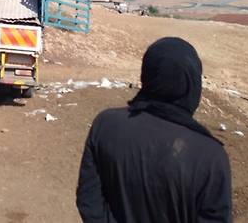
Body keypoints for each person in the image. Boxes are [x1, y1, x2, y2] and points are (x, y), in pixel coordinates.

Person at [76, 37, 232, 223]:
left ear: (147, 75)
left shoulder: (106, 124)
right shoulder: (211, 156)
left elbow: (89, 200)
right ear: (192, 84)